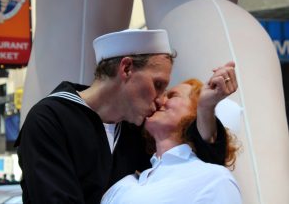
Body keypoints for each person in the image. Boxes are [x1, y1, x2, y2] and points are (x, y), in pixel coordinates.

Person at [14, 29, 237, 204]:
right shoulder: (50, 120)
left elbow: (201, 164)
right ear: (127, 68)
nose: (160, 99)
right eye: (157, 84)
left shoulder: (133, 129)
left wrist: (206, 107)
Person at [101, 77, 241, 204]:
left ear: (197, 114)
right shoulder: (123, 185)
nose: (159, 100)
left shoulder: (214, 180)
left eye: (172, 96)